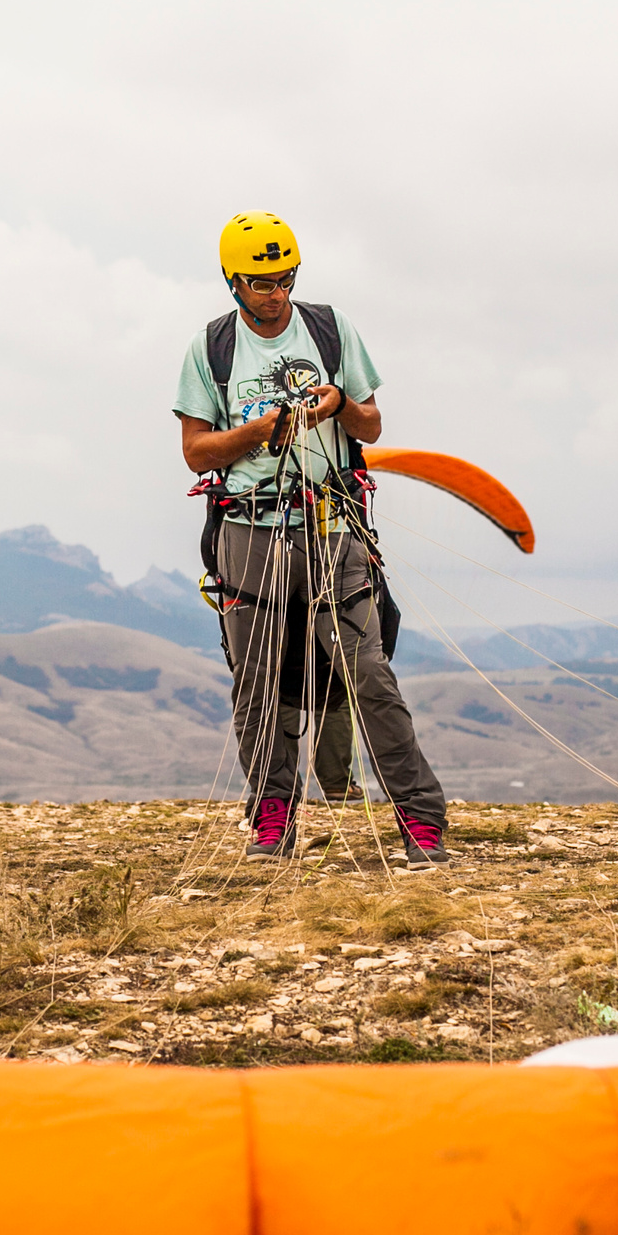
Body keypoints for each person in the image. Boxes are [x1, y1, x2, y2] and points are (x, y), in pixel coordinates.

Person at [172, 212, 453, 865]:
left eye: (287, 278)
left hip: (331, 526)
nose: (277, 292)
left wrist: (339, 407)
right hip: (247, 531)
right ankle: (273, 815)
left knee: (370, 676)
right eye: (263, 281)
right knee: (257, 685)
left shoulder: (329, 329)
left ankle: (419, 818)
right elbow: (194, 452)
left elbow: (372, 424)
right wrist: (257, 432)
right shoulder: (209, 349)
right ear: (233, 282)